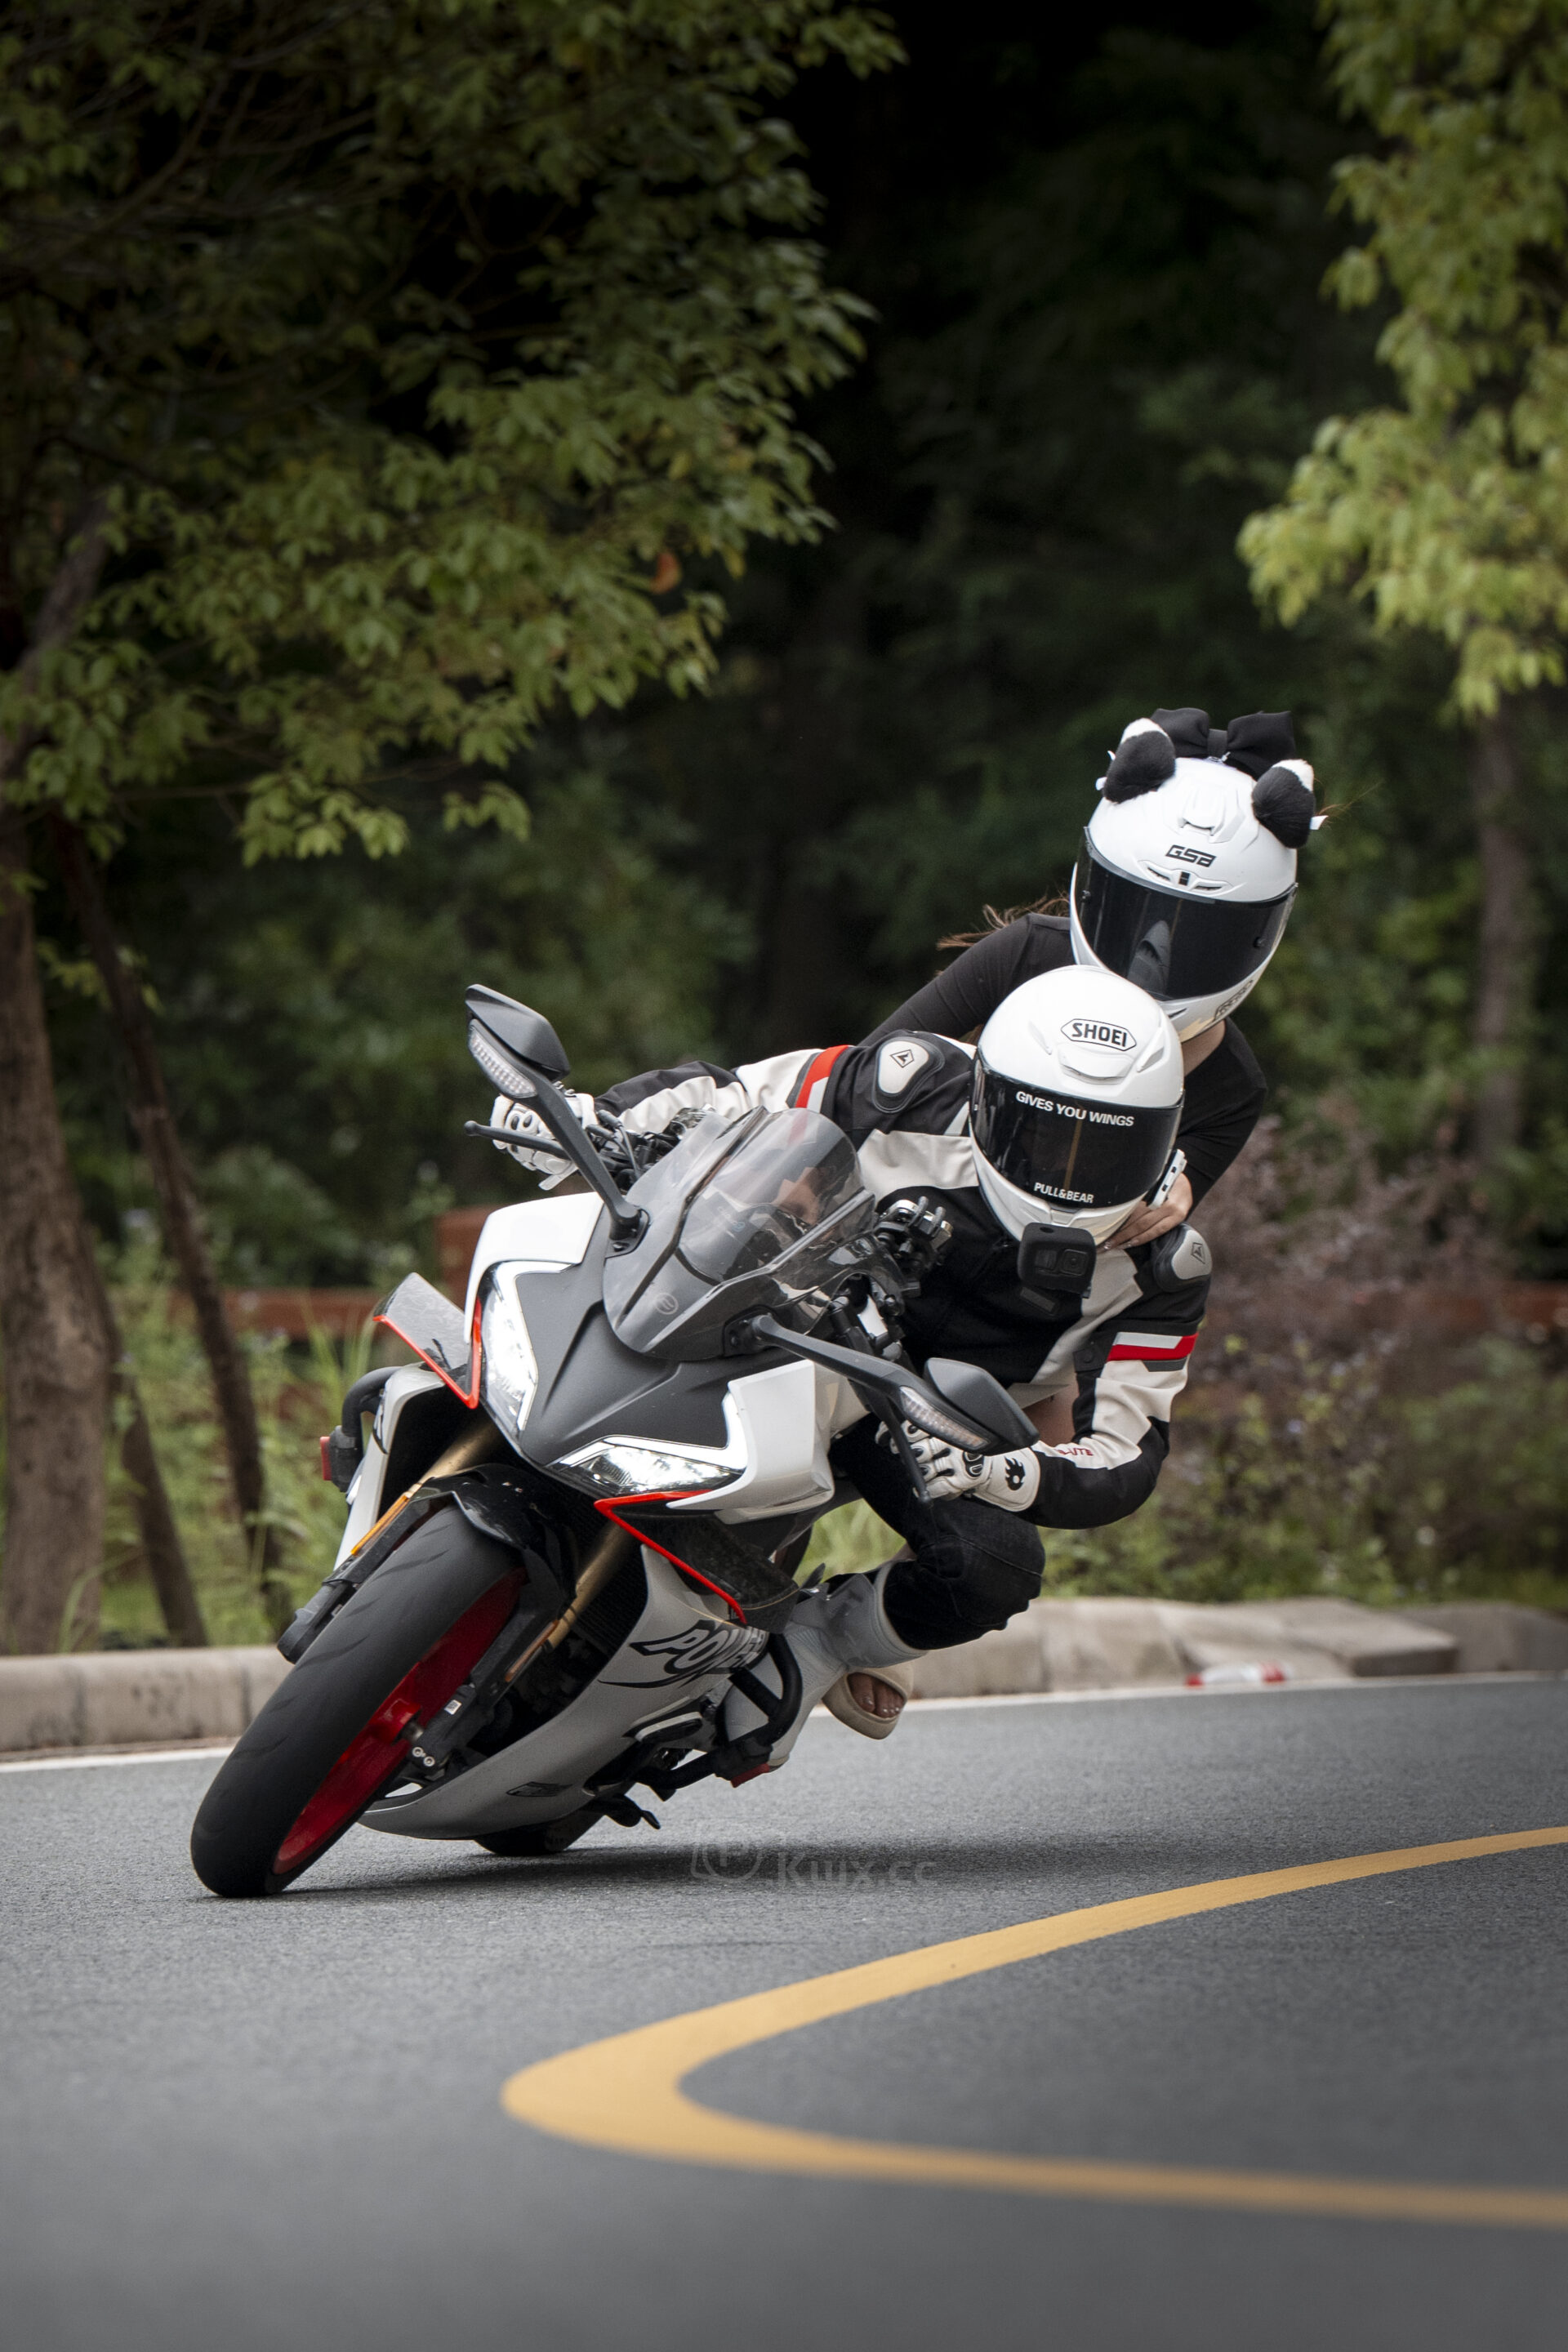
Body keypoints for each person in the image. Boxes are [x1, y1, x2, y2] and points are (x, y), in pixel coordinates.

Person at [493, 963, 1213, 1767]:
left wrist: (1007, 1473)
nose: (1067, 1170)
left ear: (1164, 1140)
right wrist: (599, 1117)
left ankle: (819, 1644)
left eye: (1107, 1149)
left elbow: (1125, 1451)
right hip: (783, 1313)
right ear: (987, 1095)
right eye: (1042, 1133)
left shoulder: (1164, 1268)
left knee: (995, 1566)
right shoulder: (911, 1079)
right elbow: (742, 1091)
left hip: (925, 1425)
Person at [866, 705, 1319, 1251]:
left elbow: (1135, 1239)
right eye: (1137, 920)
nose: (1157, 956)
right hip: (904, 1234)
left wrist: (1175, 1198)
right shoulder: (1026, 953)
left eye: (1200, 937)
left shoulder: (1233, 1089)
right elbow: (863, 1076)